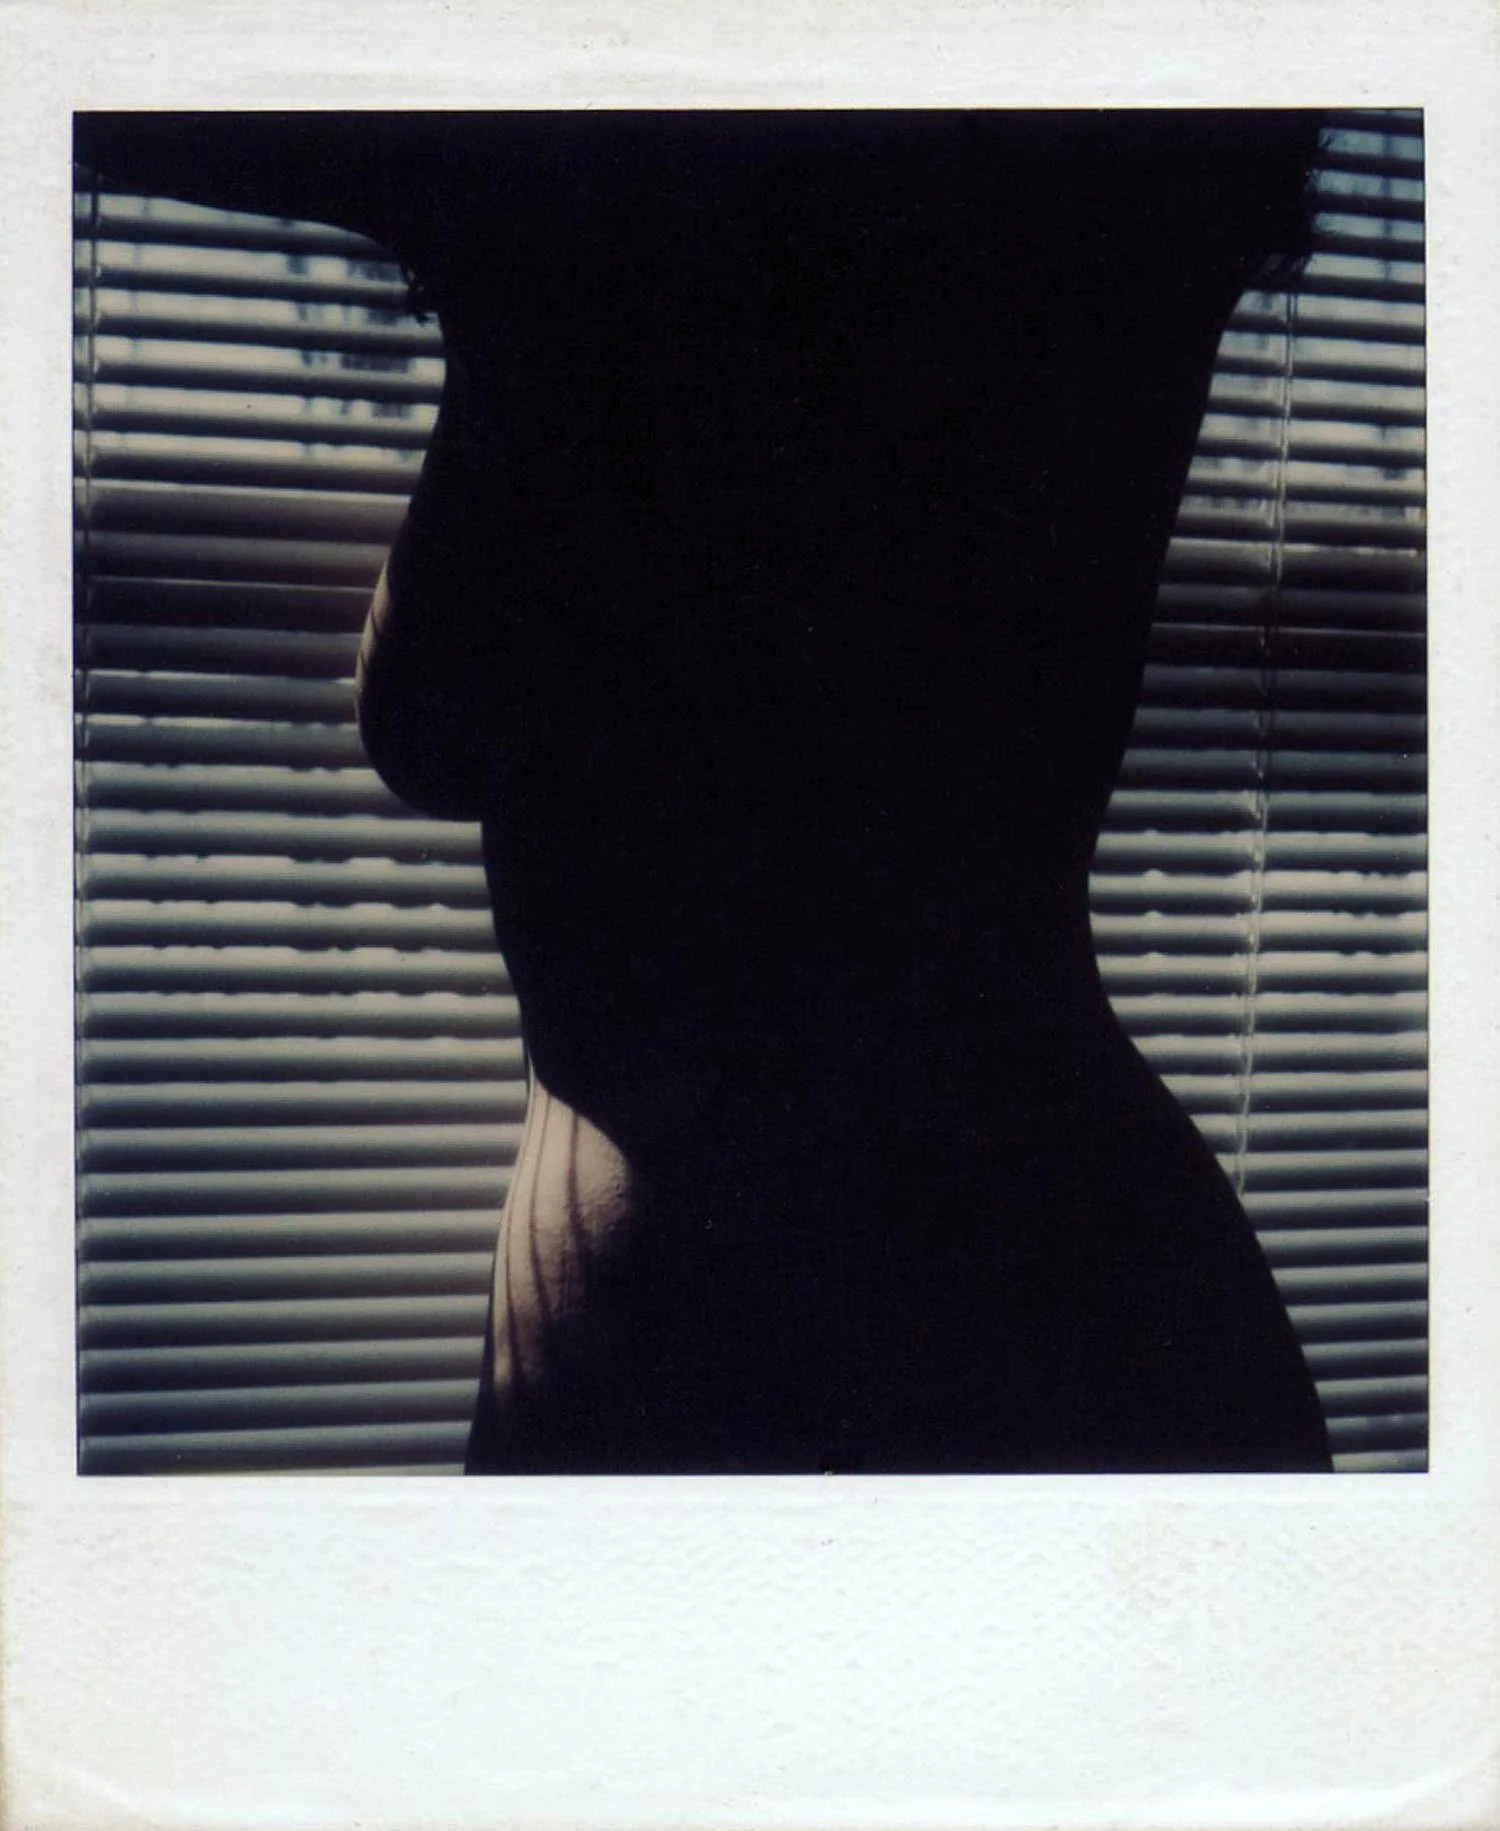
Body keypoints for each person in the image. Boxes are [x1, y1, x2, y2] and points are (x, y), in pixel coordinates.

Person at [77, 110, 1334, 1473]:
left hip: (739, 1344)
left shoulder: (639, 210)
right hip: (1091, 1282)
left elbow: (438, 724)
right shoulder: (1111, 191)